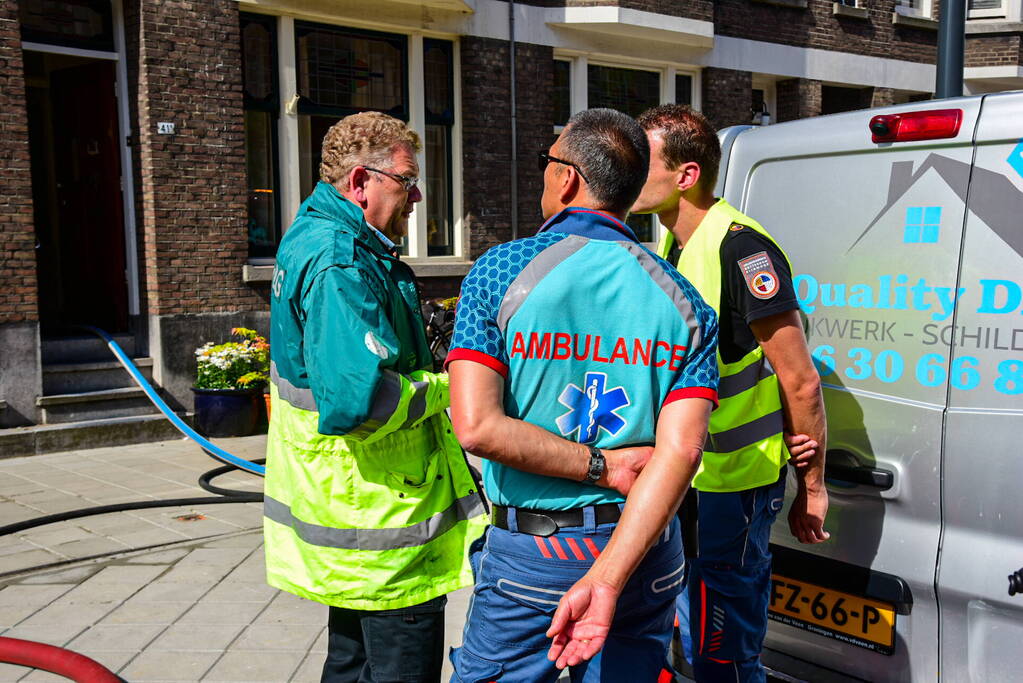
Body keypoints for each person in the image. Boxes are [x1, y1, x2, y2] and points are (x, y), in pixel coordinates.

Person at [446, 108, 720, 682]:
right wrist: (609, 577)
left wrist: (601, 466)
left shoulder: (502, 271)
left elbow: (476, 426)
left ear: (566, 178)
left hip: (538, 556)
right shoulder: (687, 302)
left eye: (545, 163)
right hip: (644, 550)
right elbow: (682, 452)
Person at [263, 112, 488, 683]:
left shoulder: (315, 234)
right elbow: (361, 403)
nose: (417, 198)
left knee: (350, 665)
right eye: (407, 182)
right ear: (361, 181)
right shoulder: (342, 260)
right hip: (384, 518)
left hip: (351, 506)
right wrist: (453, 384)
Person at [631, 104, 829, 683]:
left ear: (686, 175)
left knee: (724, 651)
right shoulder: (673, 244)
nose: (629, 171)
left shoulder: (742, 250)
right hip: (689, 475)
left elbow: (800, 379)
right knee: (689, 633)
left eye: (643, 161)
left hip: (736, 483)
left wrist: (813, 486)